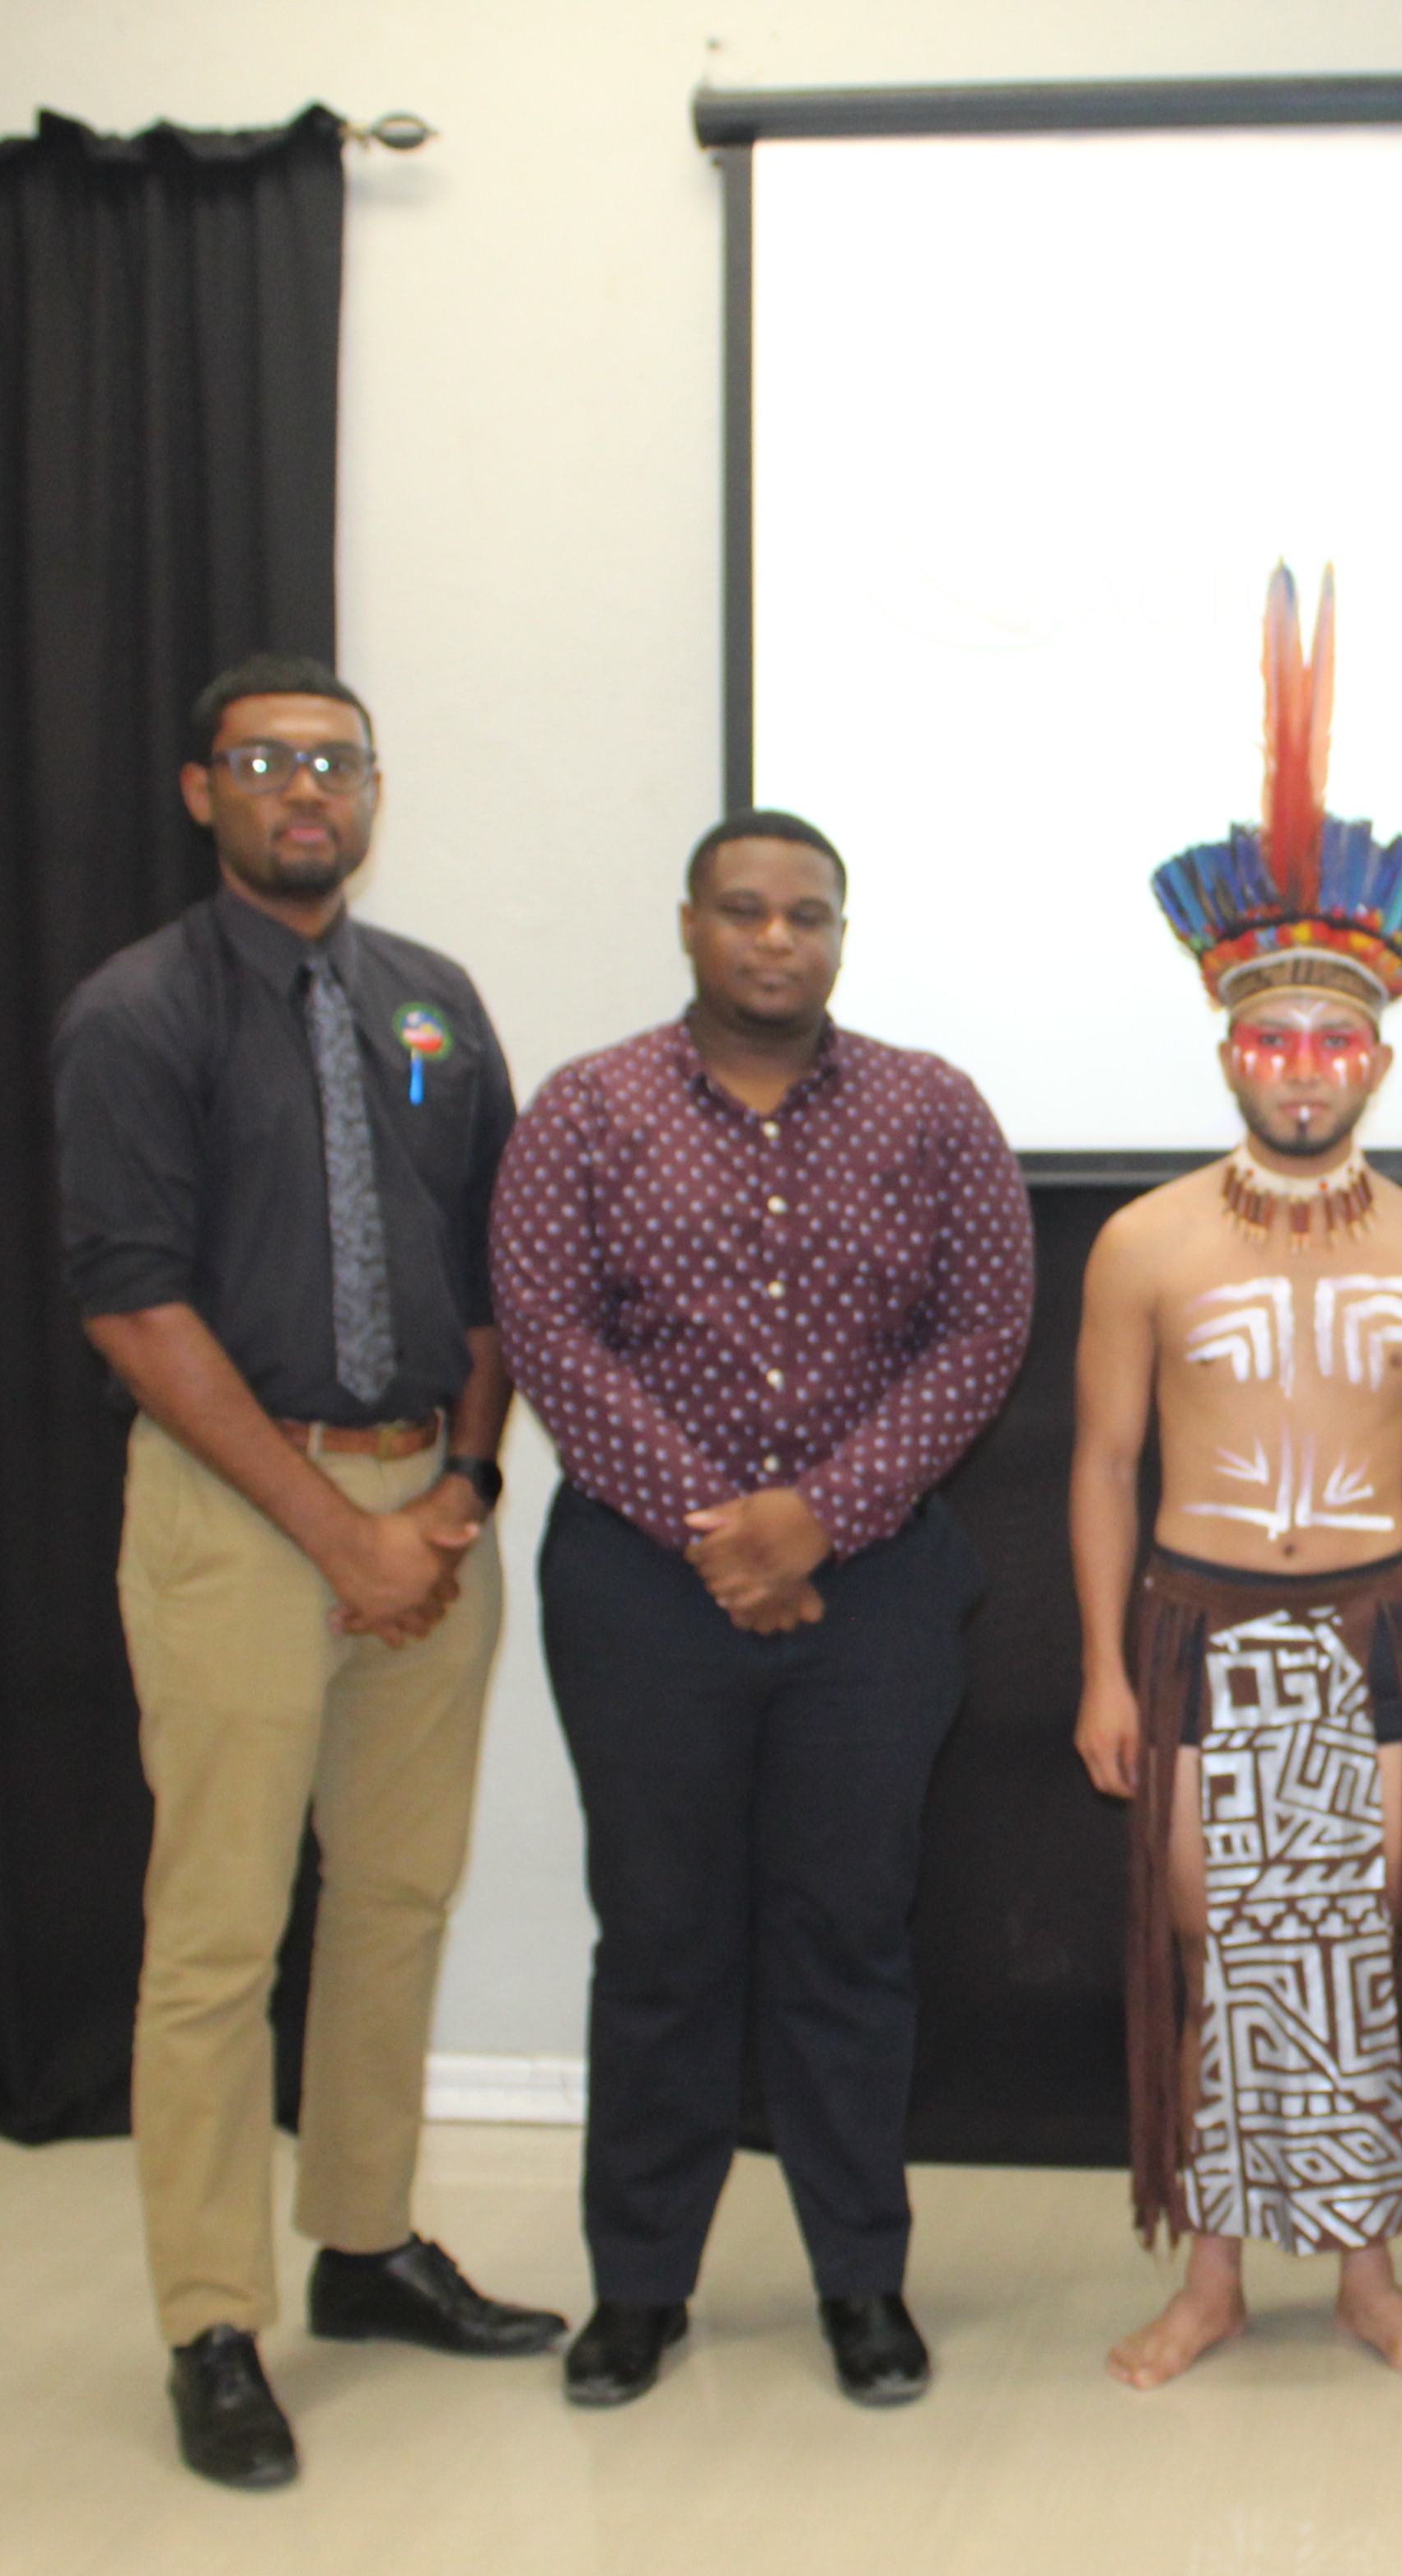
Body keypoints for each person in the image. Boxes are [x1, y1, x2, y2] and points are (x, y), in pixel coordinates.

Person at [55, 652, 565, 2494]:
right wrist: (337, 1531)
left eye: (338, 763)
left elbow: (497, 1260)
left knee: (399, 1897)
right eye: (267, 762)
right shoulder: (138, 1013)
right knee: (217, 1935)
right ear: (204, 791)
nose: (307, 791)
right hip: (235, 1513)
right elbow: (134, 1307)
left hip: (427, 1504)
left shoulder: (430, 1002)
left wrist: (462, 1487)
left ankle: (364, 2246)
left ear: (371, 793)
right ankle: (212, 2322)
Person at [494, 810, 1030, 2413]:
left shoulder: (935, 1109)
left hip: (873, 1596)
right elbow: (550, 1333)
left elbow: (982, 1334)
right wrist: (722, 1530)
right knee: (661, 1944)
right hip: (641, 1591)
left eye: (808, 913)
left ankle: (861, 2280)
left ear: (841, 936)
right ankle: (639, 2289)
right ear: (691, 926)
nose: (776, 937)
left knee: (845, 1940)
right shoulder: (586, 1109)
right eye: (744, 909)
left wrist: (821, 1519)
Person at [1070, 567, 1402, 2392]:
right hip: (1203, 1625)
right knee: (1217, 1948)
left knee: (1361, 1952)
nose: (1303, 1070)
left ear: (1378, 1058)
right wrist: (1102, 1668)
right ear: (1229, 1048)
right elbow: (1102, 1461)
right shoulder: (1147, 1243)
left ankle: (1369, 2278)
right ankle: (1214, 2277)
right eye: (1273, 1040)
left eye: (1334, 1043)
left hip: (1373, 1631)